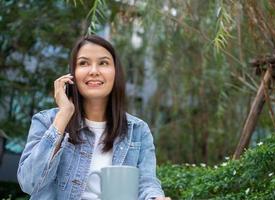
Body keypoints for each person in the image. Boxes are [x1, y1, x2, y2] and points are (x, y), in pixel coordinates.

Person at [17, 35, 171, 200]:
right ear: (72, 74)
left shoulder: (138, 130)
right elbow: (29, 183)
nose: (94, 71)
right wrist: (64, 114)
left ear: (115, 73)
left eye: (103, 63)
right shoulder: (46, 121)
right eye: (83, 63)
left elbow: (146, 183)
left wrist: (156, 197)